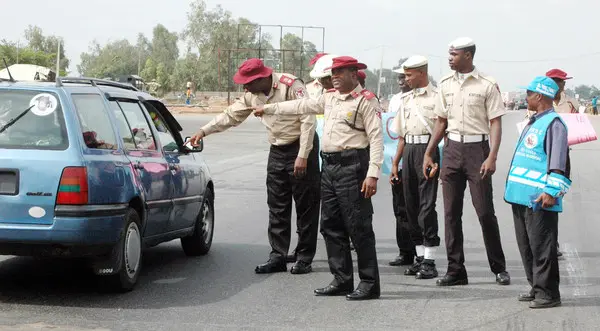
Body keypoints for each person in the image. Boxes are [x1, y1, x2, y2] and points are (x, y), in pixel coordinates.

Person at [253, 56, 384, 301]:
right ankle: (342, 279)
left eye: (339, 72)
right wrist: (269, 108)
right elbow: (300, 106)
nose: (333, 76)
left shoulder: (366, 101)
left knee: (358, 227)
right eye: (332, 72)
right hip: (330, 167)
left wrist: (373, 174)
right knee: (331, 226)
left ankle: (369, 283)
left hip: (353, 166)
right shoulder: (330, 97)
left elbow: (376, 139)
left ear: (354, 74)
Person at [189, 58, 320, 275]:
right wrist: (203, 131)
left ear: (261, 78)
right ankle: (278, 255)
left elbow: (308, 119)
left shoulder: (291, 85)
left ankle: (304, 257)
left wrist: (303, 155)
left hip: (302, 147)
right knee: (277, 206)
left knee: (306, 205)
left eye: (247, 82)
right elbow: (231, 115)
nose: (244, 87)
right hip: (277, 149)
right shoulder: (253, 94)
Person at [423, 37, 510, 286]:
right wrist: (430, 152)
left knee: (484, 212)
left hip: (477, 150)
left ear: (468, 56)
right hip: (451, 149)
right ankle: (455, 270)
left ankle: (499, 267)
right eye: (449, 54)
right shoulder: (445, 84)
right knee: (451, 213)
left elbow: (495, 121)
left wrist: (492, 155)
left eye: (454, 54)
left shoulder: (486, 84)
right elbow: (440, 121)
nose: (449, 58)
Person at [504, 76, 570, 309]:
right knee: (528, 246)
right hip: (521, 196)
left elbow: (558, 162)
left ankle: (549, 293)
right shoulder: (534, 120)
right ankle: (536, 286)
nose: (526, 97)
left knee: (543, 247)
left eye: (530, 93)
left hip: (540, 198)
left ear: (539, 96)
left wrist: (551, 192)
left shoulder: (554, 124)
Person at [391, 55, 441, 279]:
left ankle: (430, 260)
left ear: (422, 73)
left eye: (409, 75)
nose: (406, 79)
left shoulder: (438, 97)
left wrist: (432, 155)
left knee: (426, 207)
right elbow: (402, 135)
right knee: (410, 206)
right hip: (409, 152)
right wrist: (395, 163)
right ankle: (420, 257)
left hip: (428, 152)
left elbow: (443, 130)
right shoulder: (406, 99)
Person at [388, 65, 419, 267]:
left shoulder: (424, 98)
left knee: (417, 207)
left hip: (417, 155)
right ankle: (405, 251)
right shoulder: (394, 100)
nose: (401, 81)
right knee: (400, 207)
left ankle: (421, 253)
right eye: (399, 78)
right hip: (397, 158)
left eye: (405, 77)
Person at [545, 68, 577, 259]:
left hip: (563, 156)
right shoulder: (540, 102)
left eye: (563, 82)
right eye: (559, 82)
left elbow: (576, 127)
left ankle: (552, 241)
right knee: (544, 197)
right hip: (543, 158)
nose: (562, 85)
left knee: (555, 197)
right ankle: (549, 241)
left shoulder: (571, 103)